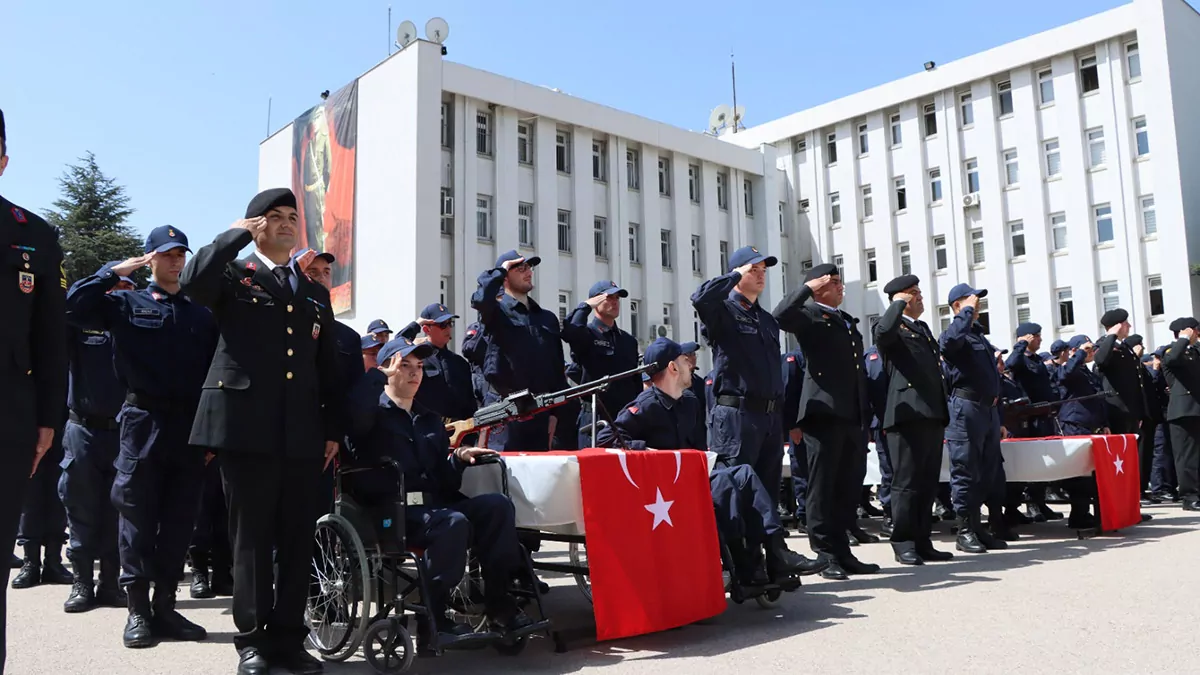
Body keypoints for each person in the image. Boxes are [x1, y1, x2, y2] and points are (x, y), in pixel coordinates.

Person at [180, 188, 343, 675]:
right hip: (246, 431)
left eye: (293, 216)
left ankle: (290, 640)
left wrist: (332, 427)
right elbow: (193, 281)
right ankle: (251, 640)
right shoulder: (233, 275)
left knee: (297, 540)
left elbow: (326, 367)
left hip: (300, 434)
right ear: (256, 225)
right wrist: (235, 235)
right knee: (249, 540)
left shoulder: (312, 291)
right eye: (275, 217)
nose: (287, 223)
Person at [66, 227, 218, 649]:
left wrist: (210, 437)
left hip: (187, 426)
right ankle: (137, 610)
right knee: (134, 517)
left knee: (178, 520)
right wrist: (111, 272)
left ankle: (165, 606)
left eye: (179, 255)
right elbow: (73, 308)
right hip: (142, 421)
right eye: (166, 254)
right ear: (149, 259)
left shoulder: (200, 314)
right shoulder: (122, 302)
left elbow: (212, 375)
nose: (174, 262)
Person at [345, 336, 535, 639]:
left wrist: (458, 458)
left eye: (419, 366)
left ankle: (500, 606)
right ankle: (433, 619)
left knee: (498, 507)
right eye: (403, 366)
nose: (413, 373)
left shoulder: (429, 419)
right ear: (386, 369)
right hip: (390, 510)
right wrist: (377, 377)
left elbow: (444, 480)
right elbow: (352, 420)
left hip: (434, 505)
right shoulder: (372, 414)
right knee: (452, 523)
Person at [597, 338, 823, 582]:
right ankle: (752, 564)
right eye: (686, 361)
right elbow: (606, 437)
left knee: (743, 474)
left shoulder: (689, 403)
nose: (692, 365)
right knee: (727, 484)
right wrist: (650, 451)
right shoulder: (647, 404)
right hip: (662, 487)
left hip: (688, 476)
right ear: (673, 368)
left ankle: (772, 553)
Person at [0, 106, 69, 672]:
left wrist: (48, 419)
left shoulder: (34, 236)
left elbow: (50, 339)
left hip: (8, 418)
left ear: (3, 157)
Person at [773, 263, 878, 580]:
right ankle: (825, 553)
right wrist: (808, 289)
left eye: (840, 281)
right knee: (823, 486)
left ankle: (843, 550)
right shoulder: (808, 315)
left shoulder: (845, 320)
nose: (841, 286)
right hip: (823, 413)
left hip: (850, 413)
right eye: (833, 282)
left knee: (847, 485)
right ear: (818, 287)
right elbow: (780, 316)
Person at [59, 270, 135, 613]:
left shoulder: (134, 324)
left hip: (124, 431)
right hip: (83, 430)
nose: (119, 292)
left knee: (119, 511)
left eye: (126, 288)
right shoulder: (81, 322)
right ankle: (82, 583)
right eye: (115, 286)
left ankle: (109, 583)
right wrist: (109, 274)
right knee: (81, 506)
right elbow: (71, 304)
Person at [692, 246, 786, 511]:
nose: (760, 276)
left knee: (768, 491)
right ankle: (740, 552)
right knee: (736, 488)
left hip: (768, 417)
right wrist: (734, 275)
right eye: (753, 270)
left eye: (763, 271)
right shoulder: (722, 310)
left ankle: (772, 551)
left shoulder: (767, 320)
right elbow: (701, 299)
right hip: (737, 416)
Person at [872, 275, 953, 565]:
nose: (919, 297)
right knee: (906, 482)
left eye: (919, 292)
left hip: (930, 413)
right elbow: (882, 334)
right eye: (913, 293)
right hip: (906, 414)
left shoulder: (922, 328)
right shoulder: (891, 325)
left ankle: (922, 539)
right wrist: (896, 305)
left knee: (927, 481)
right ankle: (903, 540)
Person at [470, 250, 568, 451]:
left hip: (540, 411)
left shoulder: (546, 318)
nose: (529, 272)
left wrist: (555, 415)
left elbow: (556, 369)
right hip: (503, 413)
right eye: (521, 268)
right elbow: (481, 300)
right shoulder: (497, 312)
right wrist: (499, 271)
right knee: (501, 476)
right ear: (505, 276)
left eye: (529, 268)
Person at [938, 283, 1008, 554]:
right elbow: (949, 342)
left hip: (987, 410)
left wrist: (998, 417)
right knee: (965, 470)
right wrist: (966, 312)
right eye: (971, 300)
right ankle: (965, 530)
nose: (978, 304)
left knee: (987, 471)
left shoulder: (978, 336)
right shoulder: (957, 333)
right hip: (965, 408)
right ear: (958, 305)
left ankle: (979, 528)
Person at [560, 281, 641, 448]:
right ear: (596, 301)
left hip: (624, 417)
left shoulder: (628, 341)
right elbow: (570, 331)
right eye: (609, 297)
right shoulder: (587, 334)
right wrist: (585, 307)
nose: (615, 302)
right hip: (596, 417)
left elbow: (635, 381)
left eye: (617, 298)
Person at [1052, 335, 1107, 527]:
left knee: (1090, 473)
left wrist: (1104, 423)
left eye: (1092, 350)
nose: (1091, 353)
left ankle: (1086, 512)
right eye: (1087, 350)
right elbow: (1064, 374)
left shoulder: (1087, 372)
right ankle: (1078, 514)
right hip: (1074, 425)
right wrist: (1080, 353)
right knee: (1078, 473)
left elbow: (1098, 398)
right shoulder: (1068, 368)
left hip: (1091, 425)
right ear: (1075, 351)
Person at [12, 415, 71, 590]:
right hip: (29, 417)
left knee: (59, 492)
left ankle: (53, 560)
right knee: (30, 495)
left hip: (63, 419)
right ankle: (30, 561)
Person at [396, 303, 479, 422]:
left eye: (450, 323)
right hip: (426, 430)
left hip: (459, 432)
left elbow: (470, 403)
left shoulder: (459, 363)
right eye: (442, 325)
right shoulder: (417, 359)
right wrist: (417, 324)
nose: (448, 328)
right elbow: (397, 346)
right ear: (426, 329)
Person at [1161, 318, 1200, 511]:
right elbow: (1173, 359)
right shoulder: (1172, 351)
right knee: (1186, 456)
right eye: (1195, 330)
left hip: (1197, 409)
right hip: (1183, 410)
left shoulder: (1195, 352)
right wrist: (1183, 338)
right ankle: (1189, 495)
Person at [1093, 309, 1146, 435]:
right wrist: (1112, 336)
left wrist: (1138, 412)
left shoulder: (1124, 347)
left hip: (1131, 410)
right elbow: (1101, 360)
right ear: (1118, 326)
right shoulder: (1104, 345)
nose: (1129, 326)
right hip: (1116, 410)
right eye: (1126, 323)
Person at [863, 345, 895, 536]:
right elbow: (875, 392)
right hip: (884, 421)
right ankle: (889, 516)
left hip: (904, 420)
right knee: (890, 471)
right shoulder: (875, 355)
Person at [781, 347, 808, 532]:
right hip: (800, 426)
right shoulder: (794, 358)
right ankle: (804, 516)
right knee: (803, 473)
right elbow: (788, 393)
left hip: (817, 425)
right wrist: (792, 425)